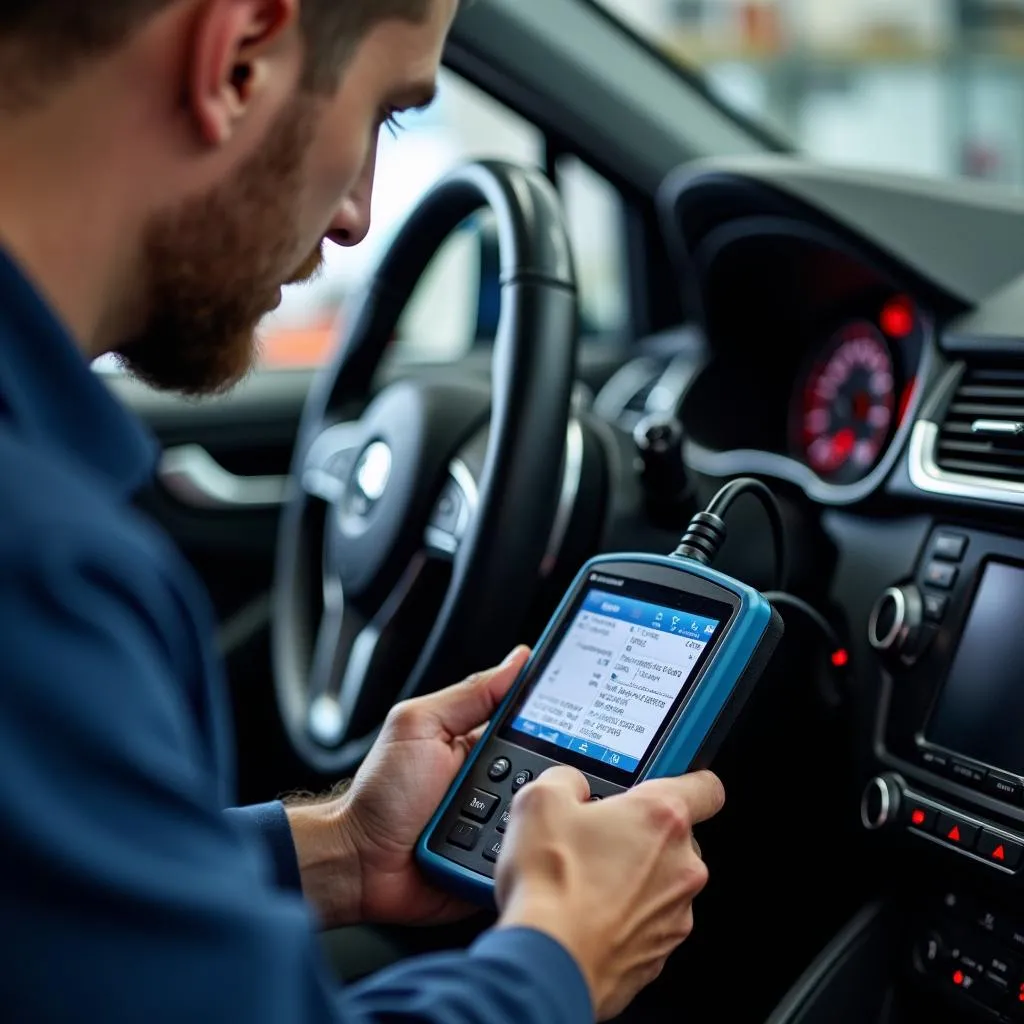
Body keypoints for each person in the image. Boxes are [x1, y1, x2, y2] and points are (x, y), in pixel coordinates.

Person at [0, 1, 726, 1021]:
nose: (356, 216)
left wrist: (341, 848)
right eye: (386, 112)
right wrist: (559, 957)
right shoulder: (40, 571)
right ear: (237, 56)